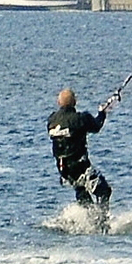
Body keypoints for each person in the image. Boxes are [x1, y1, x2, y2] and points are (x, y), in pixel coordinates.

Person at [46, 88, 113, 217]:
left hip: (64, 170)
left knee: (81, 190)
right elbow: (96, 126)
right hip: (80, 166)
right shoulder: (80, 119)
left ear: (58, 102)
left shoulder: (51, 120)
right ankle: (102, 220)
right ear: (75, 102)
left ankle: (88, 220)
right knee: (104, 191)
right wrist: (102, 113)